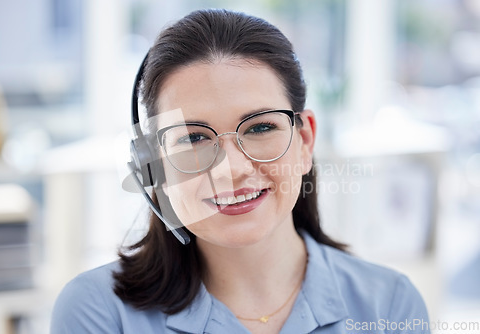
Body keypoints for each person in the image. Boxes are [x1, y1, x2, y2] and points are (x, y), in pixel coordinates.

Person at [51, 9, 430, 334]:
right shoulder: (97, 311)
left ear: (305, 140)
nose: (232, 169)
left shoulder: (389, 306)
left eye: (261, 127)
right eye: (194, 137)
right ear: (154, 166)